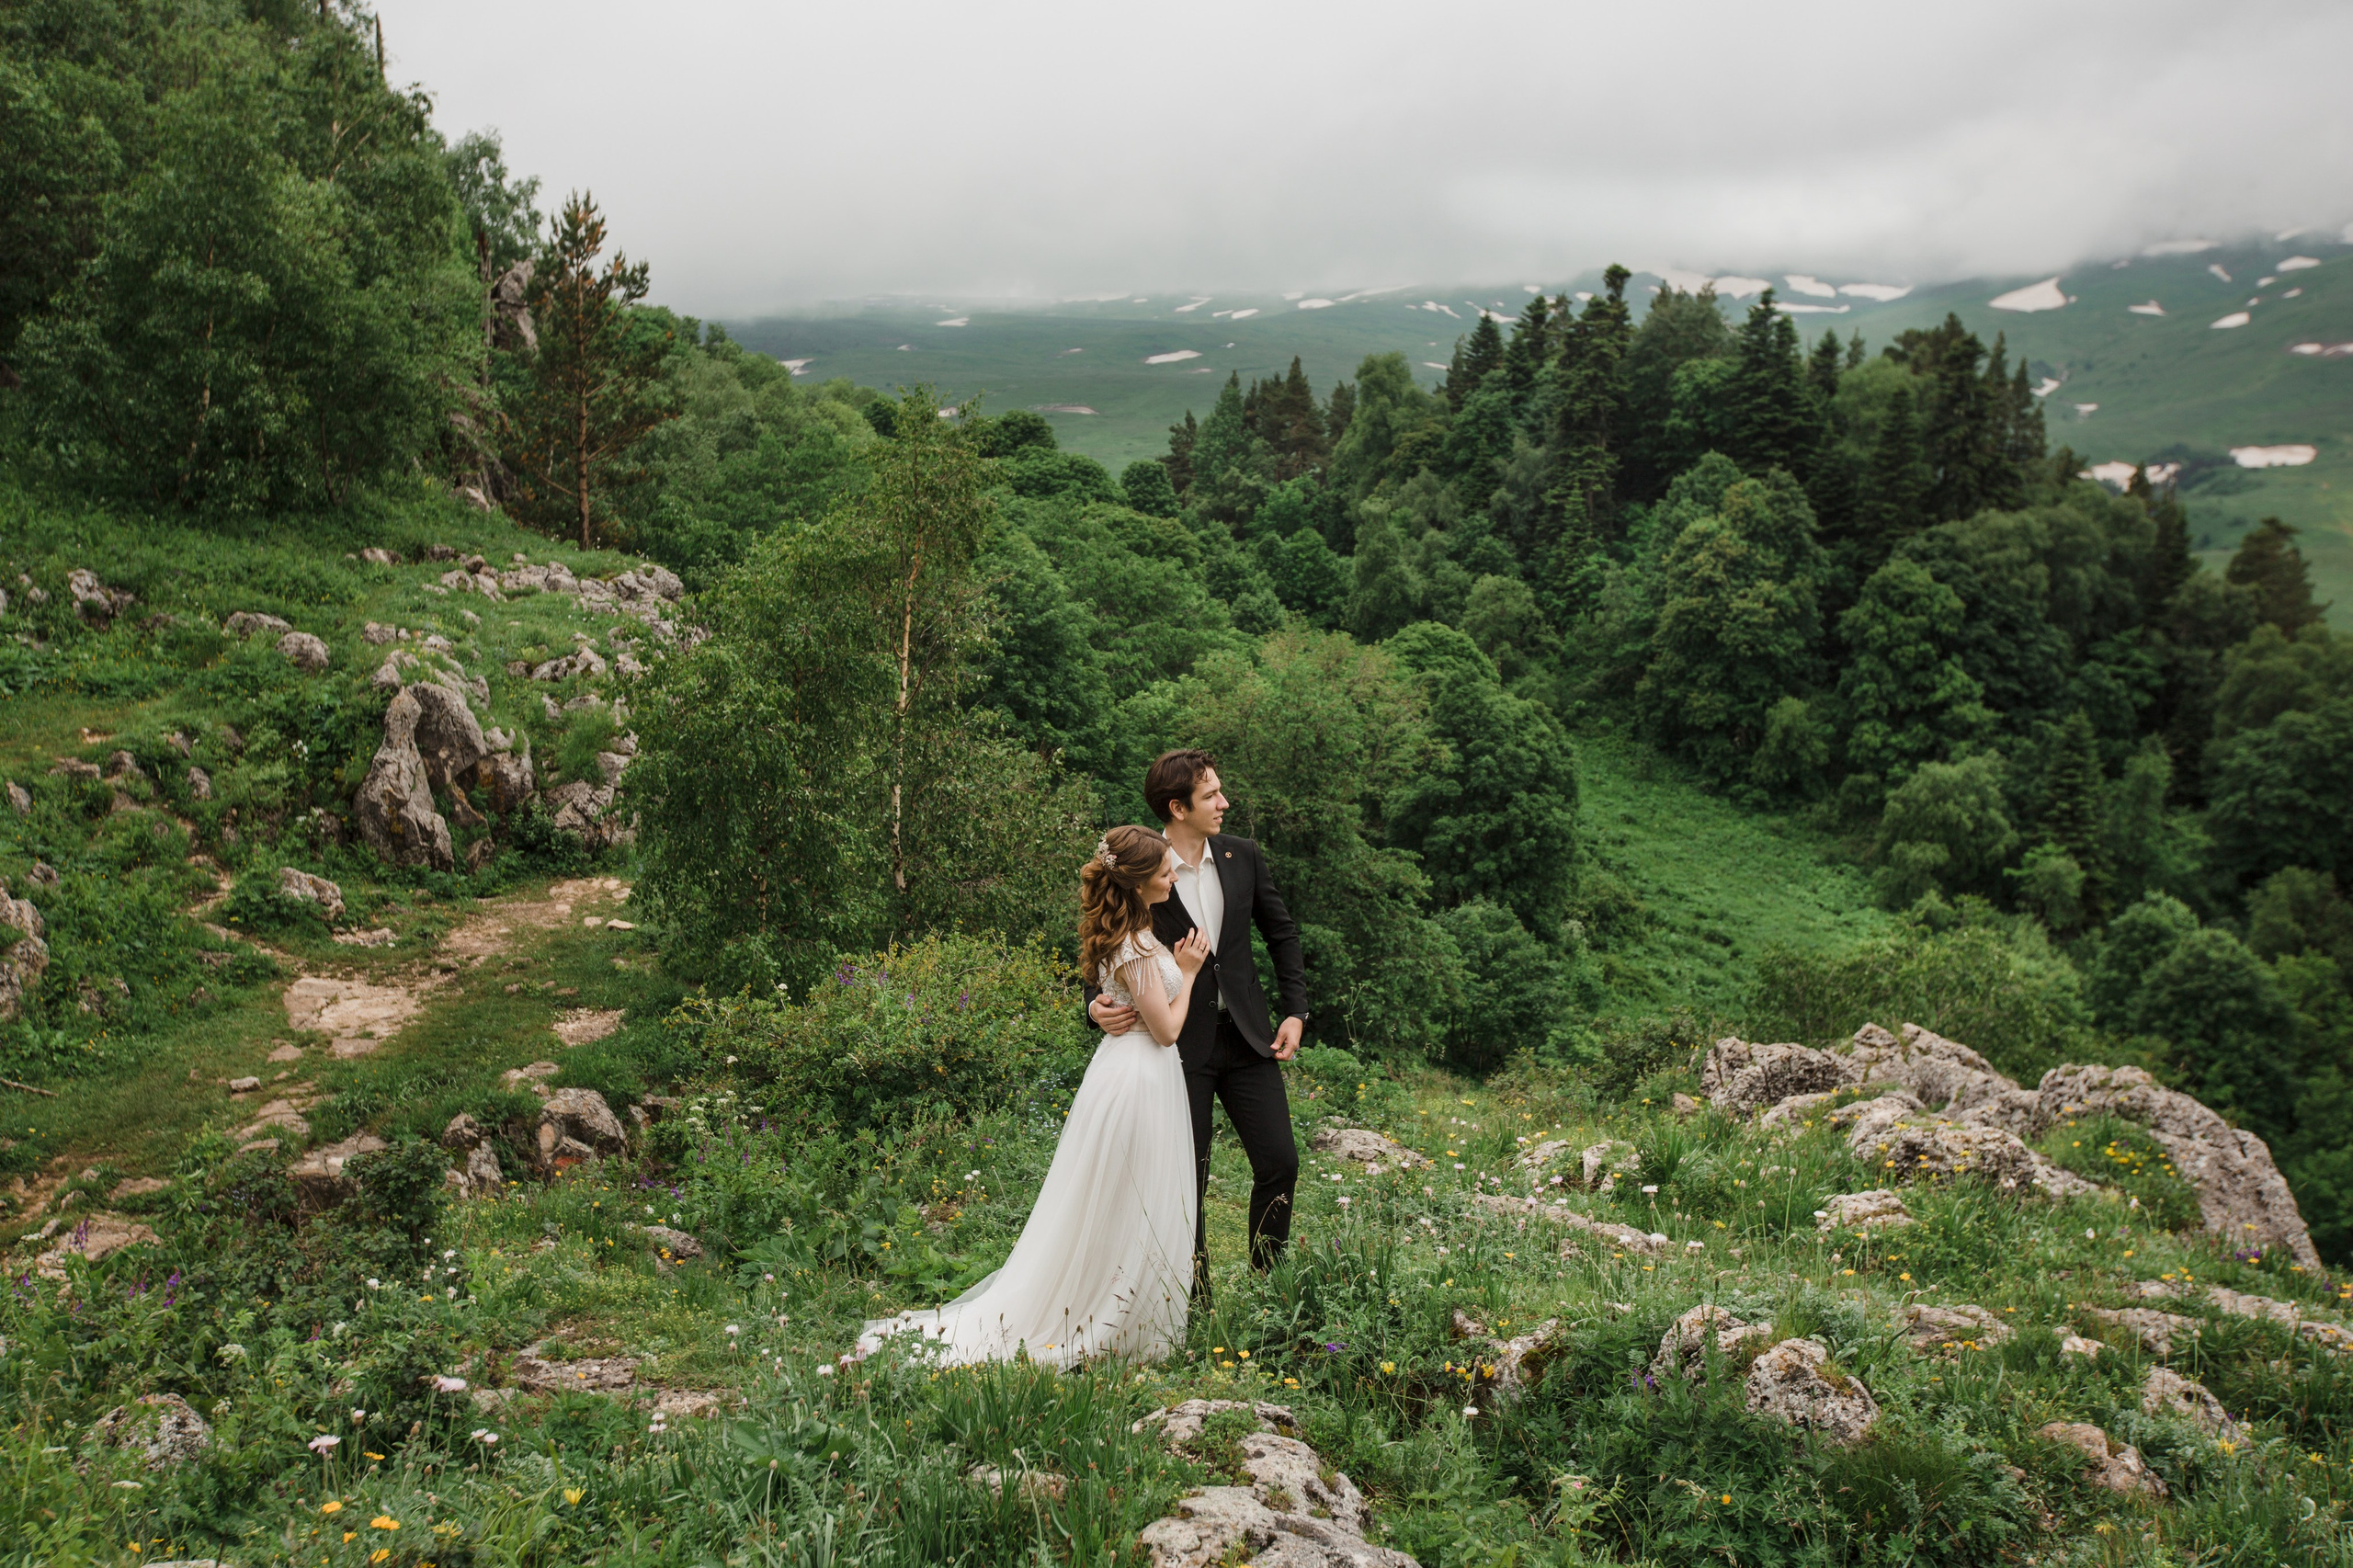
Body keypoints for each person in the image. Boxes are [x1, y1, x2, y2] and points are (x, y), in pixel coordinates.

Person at [853, 824, 1211, 1367]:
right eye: (1163, 871)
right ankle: (1112, 1323)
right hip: (1139, 1075)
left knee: (1126, 1200)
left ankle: (1132, 1319)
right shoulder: (1137, 944)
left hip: (1136, 1073)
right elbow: (1166, 1031)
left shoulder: (1135, 931)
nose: (1171, 877)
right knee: (1129, 1198)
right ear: (1138, 882)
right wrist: (1186, 973)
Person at [1086, 749, 1309, 1293]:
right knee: (1188, 1179)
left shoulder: (1243, 856)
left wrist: (1296, 1011)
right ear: (1177, 807)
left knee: (1280, 1161)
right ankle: (1195, 1302)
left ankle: (1268, 1289)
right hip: (1179, 1049)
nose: (1224, 803)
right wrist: (1092, 1002)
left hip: (1250, 1037)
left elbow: (1282, 934)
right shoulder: (1142, 864)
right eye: (1211, 794)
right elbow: (1106, 935)